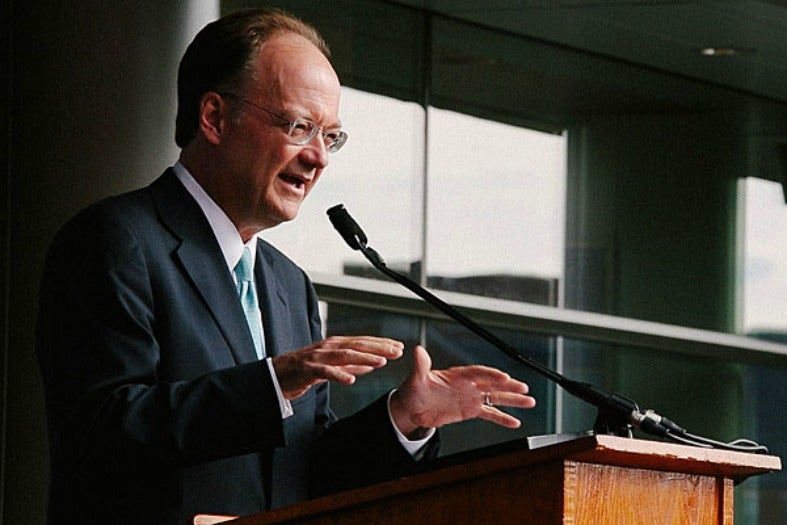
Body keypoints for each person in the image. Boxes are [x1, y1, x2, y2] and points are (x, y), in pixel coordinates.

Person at [35, 8, 537, 525]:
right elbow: (101, 430)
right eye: (300, 127)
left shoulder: (287, 284)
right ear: (214, 118)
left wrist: (404, 416)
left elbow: (306, 470)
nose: (319, 157)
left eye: (331, 136)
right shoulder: (116, 240)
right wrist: (275, 381)